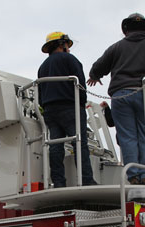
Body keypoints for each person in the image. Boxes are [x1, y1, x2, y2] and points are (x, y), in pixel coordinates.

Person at [88, 13, 145, 185]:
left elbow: (98, 67)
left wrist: (95, 76)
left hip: (121, 95)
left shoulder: (117, 47)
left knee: (127, 136)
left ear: (126, 29)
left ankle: (133, 175)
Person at [38, 31, 97, 188]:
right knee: (79, 143)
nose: (69, 49)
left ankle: (58, 182)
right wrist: (82, 104)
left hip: (50, 110)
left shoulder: (42, 67)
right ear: (62, 45)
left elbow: (39, 93)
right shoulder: (70, 59)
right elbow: (80, 84)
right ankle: (86, 180)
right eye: (67, 45)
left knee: (55, 146)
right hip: (70, 107)